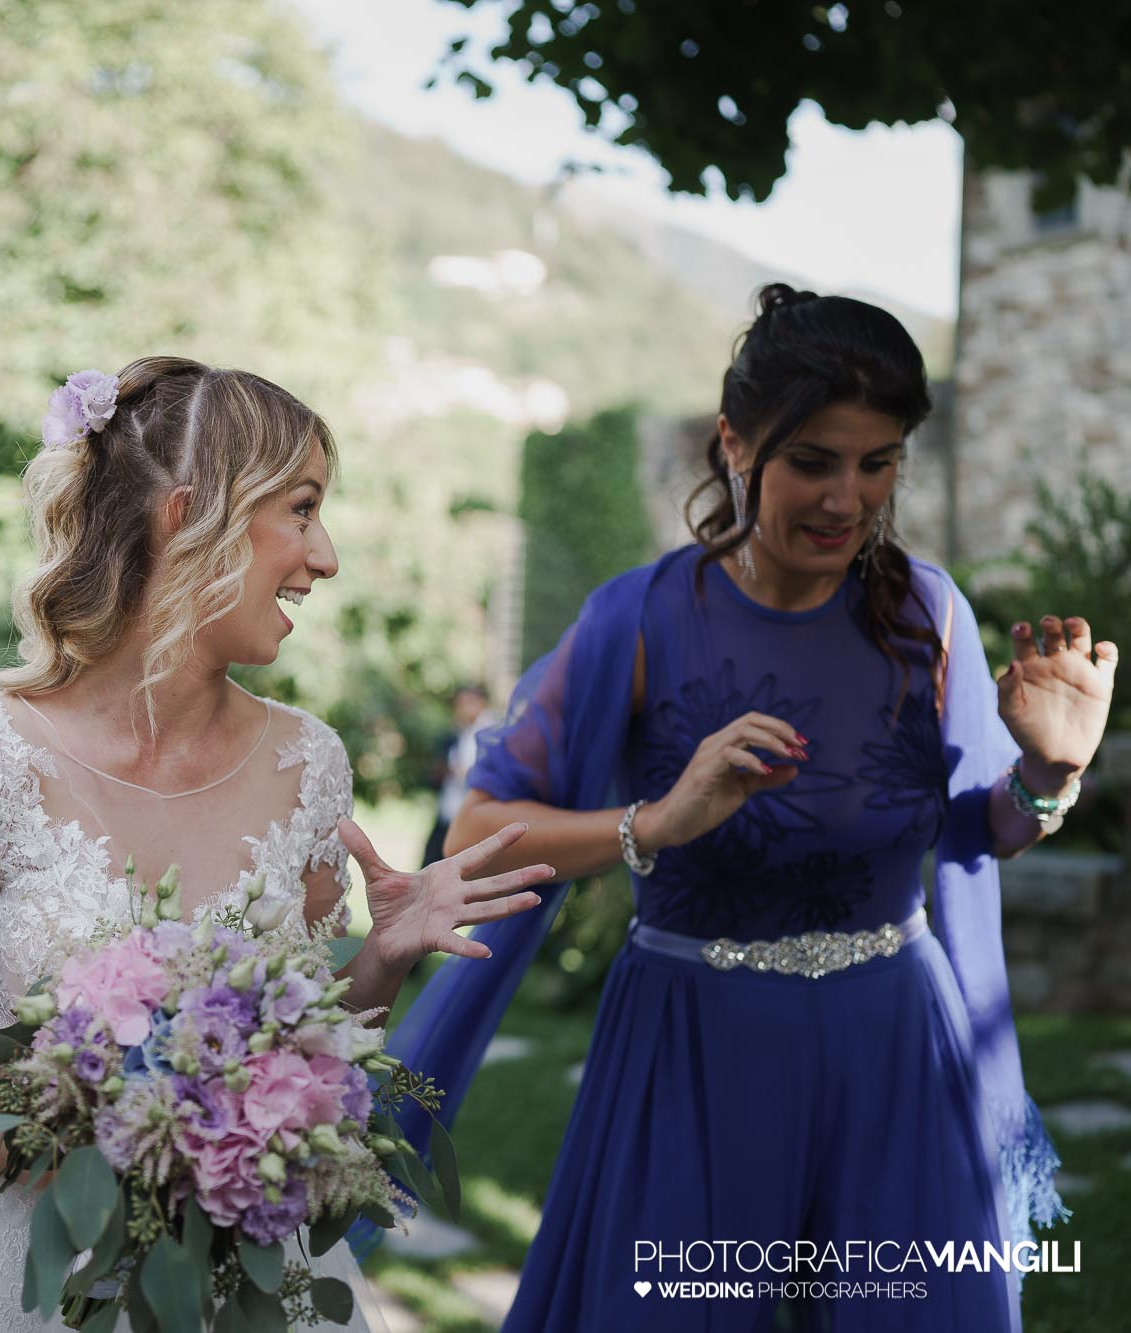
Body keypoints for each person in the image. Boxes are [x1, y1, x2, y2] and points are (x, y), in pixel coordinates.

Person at [0, 357, 552, 1332]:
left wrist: (380, 956)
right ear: (188, 516)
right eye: (300, 511)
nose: (326, 556)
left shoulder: (309, 766)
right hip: (14, 1266)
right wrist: (75, 1166)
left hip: (235, 1283)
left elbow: (304, 1062)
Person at [389, 286, 1117, 1331]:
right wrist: (656, 821)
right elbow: (477, 831)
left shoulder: (929, 614)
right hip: (691, 1044)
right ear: (733, 442)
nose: (846, 499)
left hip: (891, 1048)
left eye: (877, 463)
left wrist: (1048, 767)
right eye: (813, 461)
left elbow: (982, 828)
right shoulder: (636, 619)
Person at [424, 683, 491, 866]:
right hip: (448, 811)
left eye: (468, 703)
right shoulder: (458, 733)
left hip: (470, 817)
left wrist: (462, 772)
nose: (462, 709)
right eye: (459, 704)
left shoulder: (489, 733)